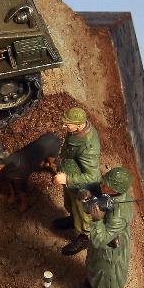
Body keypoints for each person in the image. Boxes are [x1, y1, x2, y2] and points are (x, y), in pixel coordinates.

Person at [81, 166, 135, 288]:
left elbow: (100, 240)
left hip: (111, 247)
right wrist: (88, 194)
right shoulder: (112, 193)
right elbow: (94, 190)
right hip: (103, 241)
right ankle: (93, 282)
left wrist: (97, 220)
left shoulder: (119, 215)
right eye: (104, 182)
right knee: (95, 263)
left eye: (107, 186)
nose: (102, 186)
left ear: (116, 190)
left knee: (108, 274)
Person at [51, 106, 101, 255]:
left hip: (83, 188)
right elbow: (69, 147)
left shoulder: (88, 148)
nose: (63, 126)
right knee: (70, 204)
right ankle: (73, 220)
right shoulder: (75, 131)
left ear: (79, 125)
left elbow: (93, 177)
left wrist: (67, 178)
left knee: (83, 214)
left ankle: (85, 238)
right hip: (71, 175)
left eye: (67, 124)